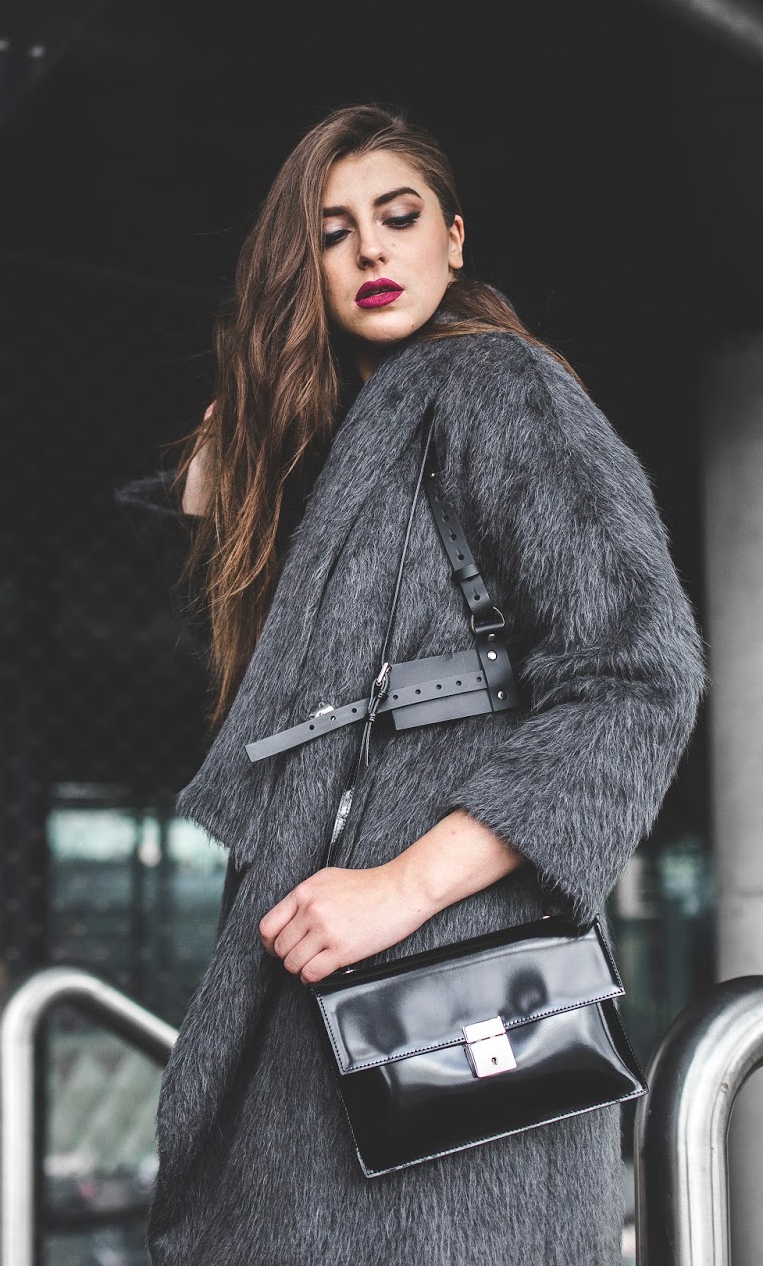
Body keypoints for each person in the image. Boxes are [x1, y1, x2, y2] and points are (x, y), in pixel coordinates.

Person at [117, 102, 706, 1265]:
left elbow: (639, 675)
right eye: (333, 232)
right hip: (324, 963)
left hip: (447, 977)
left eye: (398, 217)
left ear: (453, 236)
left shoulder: (496, 385)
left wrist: (399, 887)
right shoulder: (349, 437)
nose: (370, 252)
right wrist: (224, 477)